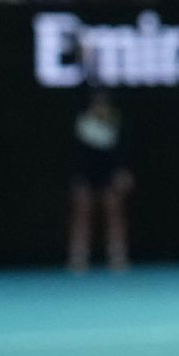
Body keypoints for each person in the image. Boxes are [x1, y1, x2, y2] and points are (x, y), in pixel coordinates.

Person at [68, 88, 132, 272]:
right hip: (86, 175)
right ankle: (78, 256)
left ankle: (117, 255)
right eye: (97, 103)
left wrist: (121, 173)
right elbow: (76, 154)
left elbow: (120, 152)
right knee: (82, 215)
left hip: (109, 175)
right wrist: (77, 177)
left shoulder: (115, 123)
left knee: (114, 214)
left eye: (104, 104)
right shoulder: (83, 124)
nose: (101, 107)